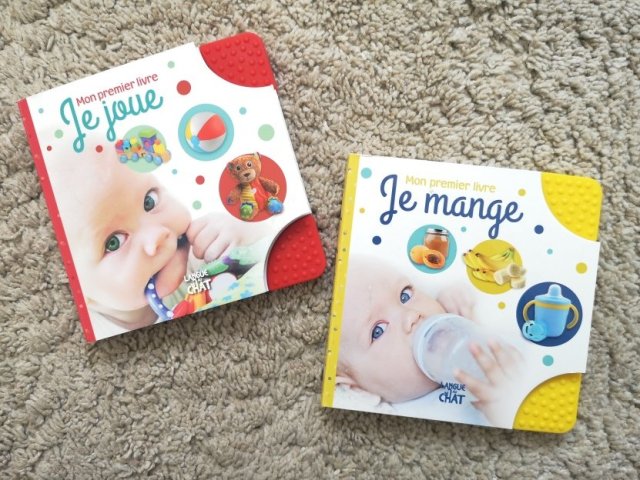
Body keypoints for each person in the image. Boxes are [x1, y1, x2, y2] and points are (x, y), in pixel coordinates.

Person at [48, 153, 265, 336]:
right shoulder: (91, 336)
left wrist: (246, 233)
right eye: (114, 242)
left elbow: (266, 263)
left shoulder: (200, 256)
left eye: (149, 201)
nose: (157, 235)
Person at [335, 255, 525, 427]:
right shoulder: (390, 425)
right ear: (355, 388)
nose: (411, 315)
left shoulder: (472, 333)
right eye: (378, 331)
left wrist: (458, 298)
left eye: (405, 295)